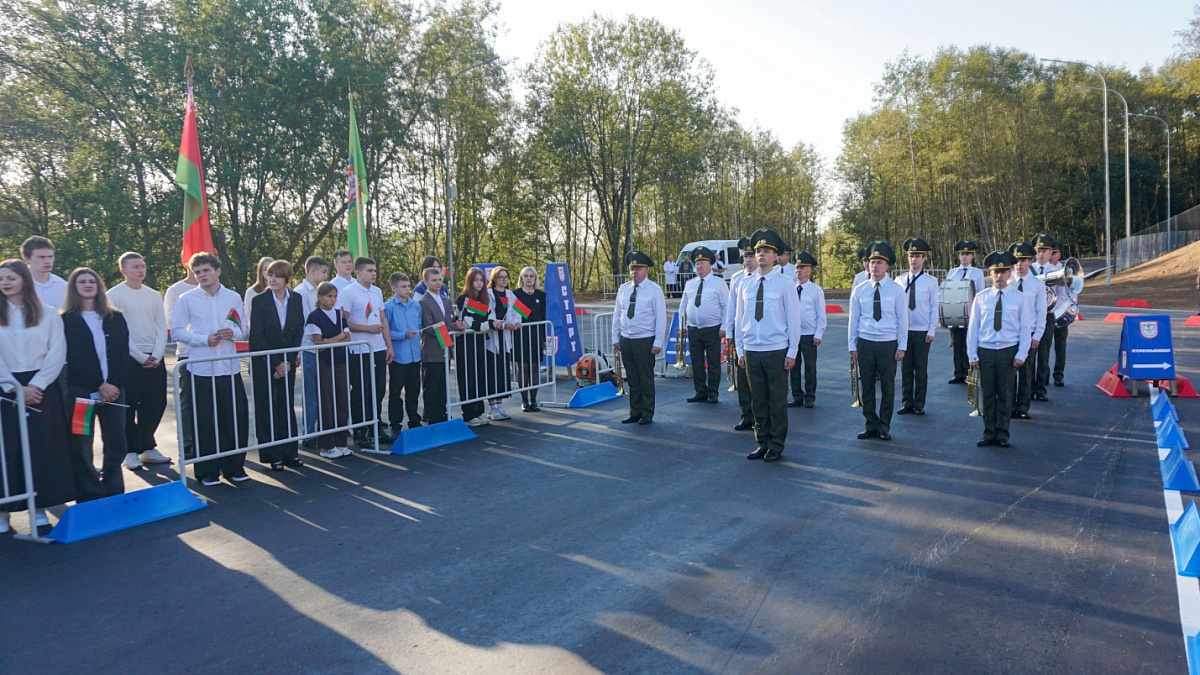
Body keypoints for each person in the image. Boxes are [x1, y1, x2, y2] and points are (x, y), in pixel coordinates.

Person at [0, 259, 74, 532]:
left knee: (42, 447)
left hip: (42, 388)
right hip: (6, 389)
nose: (5, 283)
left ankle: (40, 507)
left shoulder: (48, 313)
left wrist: (36, 386)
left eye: (10, 278)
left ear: (24, 280)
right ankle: (4, 511)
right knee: (7, 450)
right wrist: (14, 387)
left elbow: (57, 352)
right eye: (0, 279)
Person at [170, 252, 251, 487]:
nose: (201, 275)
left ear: (217, 271)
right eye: (197, 272)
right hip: (201, 368)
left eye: (206, 270)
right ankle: (207, 471)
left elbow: (244, 329)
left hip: (229, 367)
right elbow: (177, 331)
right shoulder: (186, 299)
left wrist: (233, 333)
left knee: (233, 419)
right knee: (204, 422)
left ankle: (234, 467)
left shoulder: (233, 297)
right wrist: (203, 339)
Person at [61, 268, 131, 499]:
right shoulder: (65, 321)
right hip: (81, 393)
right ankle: (89, 491)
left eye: (92, 281)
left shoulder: (115, 318)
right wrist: (100, 385)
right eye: (82, 281)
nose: (88, 285)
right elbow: (73, 358)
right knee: (81, 443)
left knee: (116, 441)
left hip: (115, 392)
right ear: (74, 287)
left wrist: (113, 386)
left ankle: (113, 488)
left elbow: (122, 355)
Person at [735, 229, 803, 462]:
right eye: (758, 251)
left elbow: (794, 319)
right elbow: (739, 318)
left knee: (777, 400)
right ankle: (762, 441)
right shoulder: (745, 284)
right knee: (758, 399)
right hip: (751, 349)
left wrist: (792, 351)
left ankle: (776, 443)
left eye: (766, 251)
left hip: (775, 349)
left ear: (775, 256)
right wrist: (739, 349)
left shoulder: (785, 284)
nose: (761, 255)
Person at [107, 252, 172, 470]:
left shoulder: (153, 295)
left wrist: (157, 354)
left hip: (154, 356)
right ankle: (130, 451)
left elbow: (161, 327)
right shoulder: (113, 295)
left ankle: (147, 446)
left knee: (156, 403)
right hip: (128, 358)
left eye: (142, 266)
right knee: (129, 405)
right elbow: (118, 333)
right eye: (134, 267)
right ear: (123, 270)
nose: (140, 270)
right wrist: (140, 357)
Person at [968, 251, 1032, 448]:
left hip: (1007, 351)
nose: (999, 276)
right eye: (996, 272)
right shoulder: (981, 298)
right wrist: (972, 354)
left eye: (1003, 271)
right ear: (990, 273)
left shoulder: (1019, 298)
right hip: (986, 351)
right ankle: (988, 432)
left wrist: (1022, 354)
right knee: (987, 394)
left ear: (1009, 273)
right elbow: (973, 328)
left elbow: (1025, 328)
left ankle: (1003, 433)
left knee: (1005, 394)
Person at [848, 241, 908, 441]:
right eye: (872, 262)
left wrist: (902, 345)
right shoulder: (860, 289)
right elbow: (853, 319)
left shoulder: (896, 290)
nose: (874, 266)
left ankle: (884, 425)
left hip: (887, 343)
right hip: (865, 342)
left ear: (887, 265)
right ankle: (870, 424)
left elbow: (903, 319)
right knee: (866, 385)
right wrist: (852, 345)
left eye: (879, 262)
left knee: (887, 386)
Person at [249, 259, 305, 471]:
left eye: (277, 276)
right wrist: (275, 363)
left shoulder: (296, 299)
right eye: (270, 275)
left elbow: (298, 330)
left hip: (287, 363)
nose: (272, 279)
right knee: (267, 407)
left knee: (285, 405)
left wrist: (288, 361)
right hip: (265, 363)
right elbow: (257, 335)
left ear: (288, 279)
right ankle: (272, 455)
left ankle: (290, 453)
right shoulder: (259, 301)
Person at [335, 257, 394, 450]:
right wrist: (366, 328)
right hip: (359, 349)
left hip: (377, 348)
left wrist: (389, 346)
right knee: (361, 390)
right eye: (369, 270)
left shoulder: (377, 291)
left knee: (378, 390)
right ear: (358, 272)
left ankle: (375, 426)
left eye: (374, 270)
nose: (373, 273)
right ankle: (360, 431)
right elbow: (342, 320)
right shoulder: (348, 292)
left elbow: (382, 320)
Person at [611, 251, 667, 425]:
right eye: (632, 269)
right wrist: (615, 337)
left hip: (645, 339)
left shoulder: (654, 290)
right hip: (626, 339)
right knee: (632, 378)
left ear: (646, 270)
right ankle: (634, 411)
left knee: (645, 378)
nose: (634, 272)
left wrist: (658, 342)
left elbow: (661, 318)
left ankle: (647, 412)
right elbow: (617, 314)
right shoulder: (624, 289)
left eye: (638, 269)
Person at [304, 282, 352, 459]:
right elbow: (319, 343)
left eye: (334, 296)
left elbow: (348, 338)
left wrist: (330, 340)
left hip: (340, 361)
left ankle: (341, 442)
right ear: (319, 297)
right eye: (328, 296)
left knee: (342, 400)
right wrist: (339, 337)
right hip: (324, 363)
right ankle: (326, 445)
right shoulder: (314, 317)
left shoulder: (340, 315)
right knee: (326, 402)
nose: (332, 300)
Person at [678, 246, 729, 404]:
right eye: (697, 264)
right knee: (696, 362)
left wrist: (724, 327)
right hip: (693, 329)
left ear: (710, 265)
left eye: (703, 264)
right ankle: (700, 391)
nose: (699, 267)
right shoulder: (690, 284)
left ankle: (713, 392)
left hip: (712, 328)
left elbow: (726, 306)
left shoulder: (719, 283)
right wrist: (682, 325)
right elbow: (683, 305)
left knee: (713, 362)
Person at [895, 237, 939, 416]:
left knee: (920, 369)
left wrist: (932, 329)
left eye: (917, 256)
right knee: (905, 368)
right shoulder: (899, 280)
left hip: (922, 330)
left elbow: (934, 306)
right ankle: (907, 402)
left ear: (924, 259)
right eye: (911, 256)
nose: (914, 259)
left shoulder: (931, 281)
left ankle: (919, 403)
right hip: (904, 331)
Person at [164, 261, 199, 460]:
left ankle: (207, 440)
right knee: (187, 400)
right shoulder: (175, 291)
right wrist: (201, 336)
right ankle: (187, 441)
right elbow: (171, 321)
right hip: (187, 353)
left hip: (212, 354)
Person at [419, 267, 463, 424]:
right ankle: (432, 415)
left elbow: (449, 320)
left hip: (445, 347)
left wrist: (457, 323)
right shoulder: (423, 302)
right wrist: (453, 327)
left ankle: (442, 412)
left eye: (439, 280)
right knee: (432, 384)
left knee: (443, 384)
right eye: (434, 280)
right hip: (432, 350)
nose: (438, 283)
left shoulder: (446, 300)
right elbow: (429, 327)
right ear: (426, 282)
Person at [1008, 241, 1046, 419]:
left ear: (1030, 261)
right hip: (1010, 334)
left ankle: (1022, 407)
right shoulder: (1008, 282)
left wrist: (1037, 335)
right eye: (1016, 260)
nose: (1019, 264)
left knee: (1026, 371)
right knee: (1010, 372)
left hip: (1029, 334)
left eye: (1023, 260)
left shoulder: (1037, 285)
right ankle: (1009, 406)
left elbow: (1041, 312)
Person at [723, 236, 757, 431]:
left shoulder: (767, 277)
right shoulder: (736, 278)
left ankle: (760, 417)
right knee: (742, 377)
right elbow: (732, 308)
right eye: (746, 256)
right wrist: (729, 331)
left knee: (757, 380)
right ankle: (746, 415)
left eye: (751, 256)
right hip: (740, 331)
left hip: (758, 331)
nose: (749, 260)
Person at [455, 267, 497, 427]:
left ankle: (478, 411)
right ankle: (468, 414)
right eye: (476, 280)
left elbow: (486, 319)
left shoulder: (484, 299)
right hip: (465, 343)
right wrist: (489, 325)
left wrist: (487, 324)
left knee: (479, 377)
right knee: (468, 378)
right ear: (469, 282)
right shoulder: (463, 299)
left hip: (479, 342)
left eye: (481, 280)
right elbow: (470, 323)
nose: (479, 284)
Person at [294, 256, 328, 441]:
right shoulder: (300, 293)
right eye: (323, 272)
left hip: (323, 346)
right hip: (309, 348)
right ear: (312, 271)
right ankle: (308, 432)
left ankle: (322, 428)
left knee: (323, 390)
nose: (325, 276)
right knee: (310, 392)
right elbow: (303, 323)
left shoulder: (321, 291)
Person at [385, 272, 423, 434]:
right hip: (399, 355)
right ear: (394, 288)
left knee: (413, 390)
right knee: (395, 392)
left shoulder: (416, 306)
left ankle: (414, 419)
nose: (407, 289)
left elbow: (419, 325)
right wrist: (402, 335)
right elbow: (386, 331)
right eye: (403, 286)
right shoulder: (388, 307)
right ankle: (395, 423)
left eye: (408, 286)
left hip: (415, 354)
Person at [789, 251, 826, 408]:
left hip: (809, 334)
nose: (799, 271)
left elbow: (821, 314)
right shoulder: (790, 288)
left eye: (802, 267)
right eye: (797, 267)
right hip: (792, 334)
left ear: (810, 270)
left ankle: (810, 396)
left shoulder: (815, 290)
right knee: (793, 367)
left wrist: (818, 333)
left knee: (810, 367)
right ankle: (797, 396)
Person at [946, 240, 985, 384]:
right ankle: (958, 373)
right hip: (956, 314)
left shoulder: (977, 273)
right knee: (957, 345)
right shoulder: (952, 273)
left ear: (972, 256)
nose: (965, 257)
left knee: (970, 344)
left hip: (971, 313)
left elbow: (980, 293)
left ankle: (970, 374)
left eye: (968, 254)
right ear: (959, 256)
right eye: (962, 254)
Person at [486, 266, 519, 421]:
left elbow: (516, 312)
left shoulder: (510, 294)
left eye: (506, 277)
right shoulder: (489, 294)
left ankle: (499, 405)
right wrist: (503, 324)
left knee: (502, 372)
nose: (504, 280)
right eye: (501, 277)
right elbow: (489, 314)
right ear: (494, 279)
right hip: (493, 337)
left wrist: (516, 322)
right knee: (492, 373)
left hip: (505, 339)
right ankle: (492, 407)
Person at [512, 266, 547, 412]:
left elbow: (543, 317)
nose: (528, 278)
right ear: (521, 278)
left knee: (534, 368)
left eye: (531, 276)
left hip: (536, 336)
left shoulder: (541, 295)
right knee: (523, 368)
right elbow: (514, 315)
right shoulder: (515, 295)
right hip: (520, 336)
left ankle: (534, 400)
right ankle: (524, 401)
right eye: (525, 276)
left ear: (535, 278)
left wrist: (543, 338)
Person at [1030, 233, 1058, 399]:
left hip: (1047, 316)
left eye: (1044, 251)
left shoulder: (1056, 271)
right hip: (1029, 316)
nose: (1041, 254)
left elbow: (1062, 294)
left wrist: (1051, 307)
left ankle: (1040, 388)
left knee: (1044, 353)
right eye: (1038, 250)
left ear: (1050, 253)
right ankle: (1029, 388)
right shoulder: (1028, 269)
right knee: (1029, 354)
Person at [21, 236, 67, 310]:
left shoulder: (63, 286)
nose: (48, 261)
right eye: (41, 257)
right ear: (27, 259)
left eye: (50, 257)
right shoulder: (18, 285)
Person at [1048, 238, 1070, 386]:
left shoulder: (1066, 270)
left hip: (1061, 312)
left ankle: (1058, 375)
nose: (1051, 256)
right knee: (1043, 348)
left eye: (1054, 253)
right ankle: (1043, 376)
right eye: (1049, 252)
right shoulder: (1042, 269)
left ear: (1059, 255)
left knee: (1060, 346)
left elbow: (1071, 293)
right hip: (1046, 314)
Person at [242, 256, 274, 333]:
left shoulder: (281, 291)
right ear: (260, 271)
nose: (268, 272)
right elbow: (248, 317)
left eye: (271, 269)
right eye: (265, 269)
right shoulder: (251, 292)